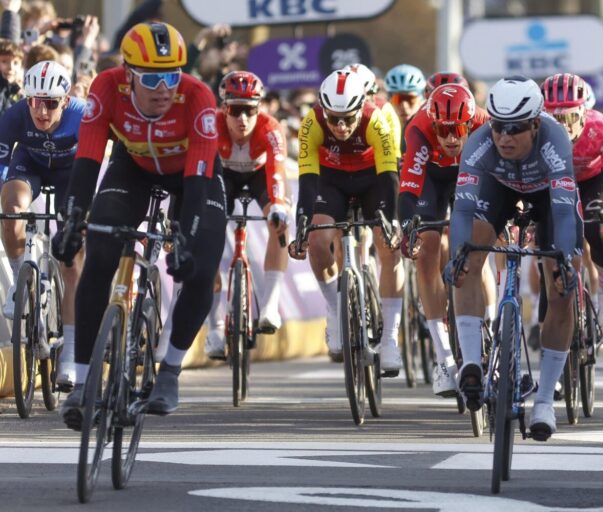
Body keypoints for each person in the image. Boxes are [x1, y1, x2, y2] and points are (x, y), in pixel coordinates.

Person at [56, 22, 227, 425]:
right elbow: (88, 160)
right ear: (129, 74)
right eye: (152, 78)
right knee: (98, 254)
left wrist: (185, 237)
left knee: (201, 269)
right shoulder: (105, 87)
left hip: (191, 176)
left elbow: (199, 175)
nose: (164, 87)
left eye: (172, 75)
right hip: (131, 169)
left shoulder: (197, 95)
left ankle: (169, 371)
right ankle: (83, 384)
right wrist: (72, 219)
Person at [445, 76, 581, 441]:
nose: (504, 137)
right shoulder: (479, 144)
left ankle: (545, 402)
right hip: (499, 187)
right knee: (468, 257)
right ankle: (472, 363)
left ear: (536, 123)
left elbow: (566, 214)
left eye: (515, 129)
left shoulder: (555, 141)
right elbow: (461, 210)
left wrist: (565, 260)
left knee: (563, 287)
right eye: (497, 126)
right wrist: (459, 254)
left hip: (547, 198)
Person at [289, 69, 404, 375]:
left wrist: (390, 221)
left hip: (372, 178)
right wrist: (302, 222)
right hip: (332, 179)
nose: (340, 127)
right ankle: (334, 310)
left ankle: (391, 338)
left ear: (360, 109)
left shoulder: (376, 119)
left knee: (387, 244)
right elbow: (308, 180)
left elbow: (390, 177)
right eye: (333, 119)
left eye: (348, 119)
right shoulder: (311, 122)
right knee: (316, 240)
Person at [397, 83, 490, 396]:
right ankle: (443, 357)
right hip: (432, 181)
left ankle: (489, 326)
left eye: (457, 130)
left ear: (469, 123)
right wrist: (408, 226)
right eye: (443, 130)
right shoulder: (418, 129)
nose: (451, 138)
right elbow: (409, 187)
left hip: (469, 173)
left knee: (480, 244)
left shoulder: (483, 124)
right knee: (427, 249)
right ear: (433, 123)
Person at [0, 60, 83, 385]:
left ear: (65, 100)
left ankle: (72, 352)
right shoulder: (15, 115)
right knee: (11, 209)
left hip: (71, 172)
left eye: (51, 103)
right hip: (30, 165)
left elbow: (101, 162)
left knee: (72, 256)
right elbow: (2, 162)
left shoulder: (83, 114)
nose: (42, 110)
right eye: (36, 101)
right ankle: (22, 276)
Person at [203, 71, 290, 359]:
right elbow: (200, 169)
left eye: (250, 110)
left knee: (280, 223)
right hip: (224, 175)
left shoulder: (271, 127)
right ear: (223, 107)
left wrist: (277, 204)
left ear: (260, 109)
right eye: (235, 110)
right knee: (208, 234)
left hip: (259, 176)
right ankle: (214, 328)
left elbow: (277, 170)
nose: (243, 118)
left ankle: (270, 304)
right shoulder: (212, 125)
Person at [541, 73, 603, 329]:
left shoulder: (602, 129)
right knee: (546, 239)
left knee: (594, 227)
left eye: (570, 118)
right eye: (555, 119)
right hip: (554, 179)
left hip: (593, 180)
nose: (563, 127)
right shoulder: (534, 132)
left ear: (584, 112)